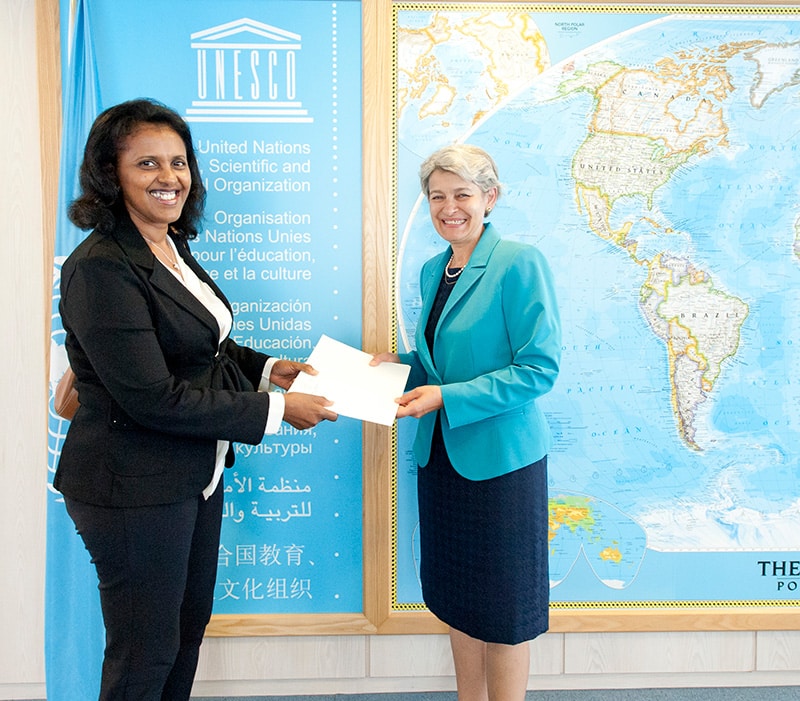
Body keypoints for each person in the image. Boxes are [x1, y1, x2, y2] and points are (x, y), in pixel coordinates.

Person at [55, 98, 338, 700]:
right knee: (143, 655)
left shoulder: (169, 245)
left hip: (192, 473)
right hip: (129, 483)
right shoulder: (102, 267)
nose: (169, 177)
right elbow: (152, 399)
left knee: (183, 636)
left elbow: (204, 344)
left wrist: (268, 370)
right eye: (148, 163)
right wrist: (278, 411)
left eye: (179, 162)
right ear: (111, 174)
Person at [373, 144, 561, 701]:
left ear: (490, 198)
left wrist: (445, 397)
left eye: (462, 194)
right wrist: (395, 366)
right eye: (437, 196)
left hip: (501, 463)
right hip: (442, 459)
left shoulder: (519, 262)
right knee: (459, 596)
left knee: (503, 608)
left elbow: (538, 369)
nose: (448, 207)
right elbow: (438, 368)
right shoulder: (437, 269)